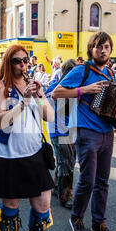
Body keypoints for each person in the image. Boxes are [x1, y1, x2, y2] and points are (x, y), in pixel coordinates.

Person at [0, 44, 56, 231]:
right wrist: (23, 101)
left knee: (43, 206)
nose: (23, 64)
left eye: (26, 60)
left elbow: (50, 117)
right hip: (7, 156)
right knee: (11, 206)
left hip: (33, 153)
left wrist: (40, 96)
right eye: (17, 60)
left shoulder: (33, 86)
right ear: (8, 62)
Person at [52, 31, 116, 231]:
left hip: (107, 132)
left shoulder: (110, 73)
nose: (103, 50)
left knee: (103, 181)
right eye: (99, 46)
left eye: (106, 46)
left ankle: (99, 223)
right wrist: (85, 89)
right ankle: (77, 218)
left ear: (110, 50)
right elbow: (57, 93)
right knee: (88, 180)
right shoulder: (81, 70)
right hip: (87, 131)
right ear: (91, 49)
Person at [45, 59, 77, 209]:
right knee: (67, 163)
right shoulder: (57, 88)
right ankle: (66, 196)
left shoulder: (72, 88)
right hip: (60, 131)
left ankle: (57, 187)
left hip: (66, 131)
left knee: (64, 161)